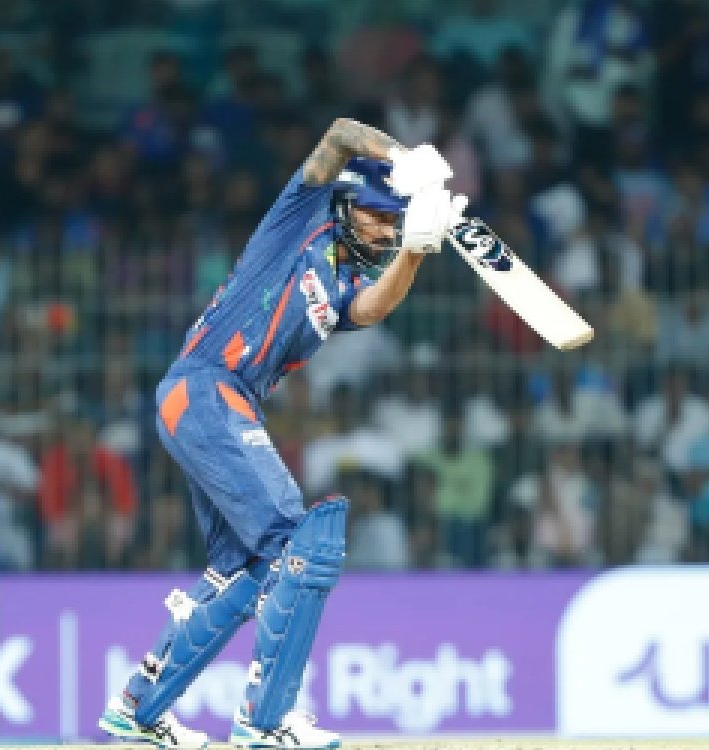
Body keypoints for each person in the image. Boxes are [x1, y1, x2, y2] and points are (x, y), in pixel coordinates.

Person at [96, 117, 466, 748]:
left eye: (394, 221)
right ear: (345, 206)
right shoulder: (302, 216)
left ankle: (137, 708)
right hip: (207, 389)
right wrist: (405, 160)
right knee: (300, 544)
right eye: (377, 217)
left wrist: (415, 250)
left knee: (242, 571)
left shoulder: (348, 281)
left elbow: (373, 307)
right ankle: (265, 721)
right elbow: (339, 134)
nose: (384, 229)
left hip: (216, 404)